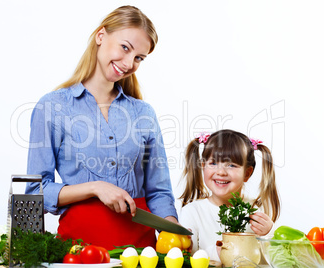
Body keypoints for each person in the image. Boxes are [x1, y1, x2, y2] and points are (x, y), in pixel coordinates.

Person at [25, 5, 178, 249]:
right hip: (78, 252)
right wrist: (96, 188)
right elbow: (35, 192)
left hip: (140, 253)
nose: (129, 63)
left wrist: (174, 234)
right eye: (125, 48)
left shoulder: (143, 113)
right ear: (100, 36)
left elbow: (159, 192)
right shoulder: (52, 107)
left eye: (139, 58)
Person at [179, 129, 280, 262]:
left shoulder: (256, 211)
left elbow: (269, 261)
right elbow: (185, 260)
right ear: (203, 166)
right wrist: (216, 253)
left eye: (231, 165)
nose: (221, 172)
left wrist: (270, 234)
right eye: (213, 163)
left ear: (247, 174)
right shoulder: (192, 212)